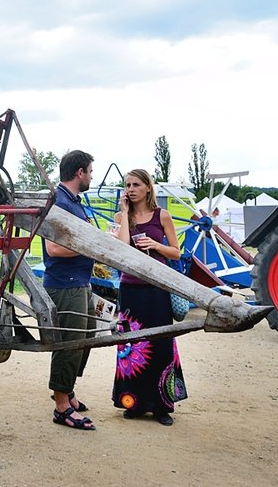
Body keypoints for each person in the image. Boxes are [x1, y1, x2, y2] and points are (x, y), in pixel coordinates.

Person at [111, 168, 187, 426]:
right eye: (127, 185)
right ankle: (133, 402)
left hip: (157, 288)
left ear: (147, 188)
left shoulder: (161, 216)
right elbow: (120, 249)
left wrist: (155, 246)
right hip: (130, 289)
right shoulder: (122, 216)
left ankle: (161, 406)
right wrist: (123, 215)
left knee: (161, 344)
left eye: (135, 185)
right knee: (132, 346)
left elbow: (176, 253)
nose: (130, 189)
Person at [43, 150, 97, 431]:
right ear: (79, 173)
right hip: (65, 285)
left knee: (86, 339)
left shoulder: (74, 202)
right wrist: (94, 246)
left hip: (79, 282)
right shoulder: (60, 203)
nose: (91, 176)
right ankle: (61, 406)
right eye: (89, 171)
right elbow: (53, 248)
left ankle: (68, 389)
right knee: (70, 343)